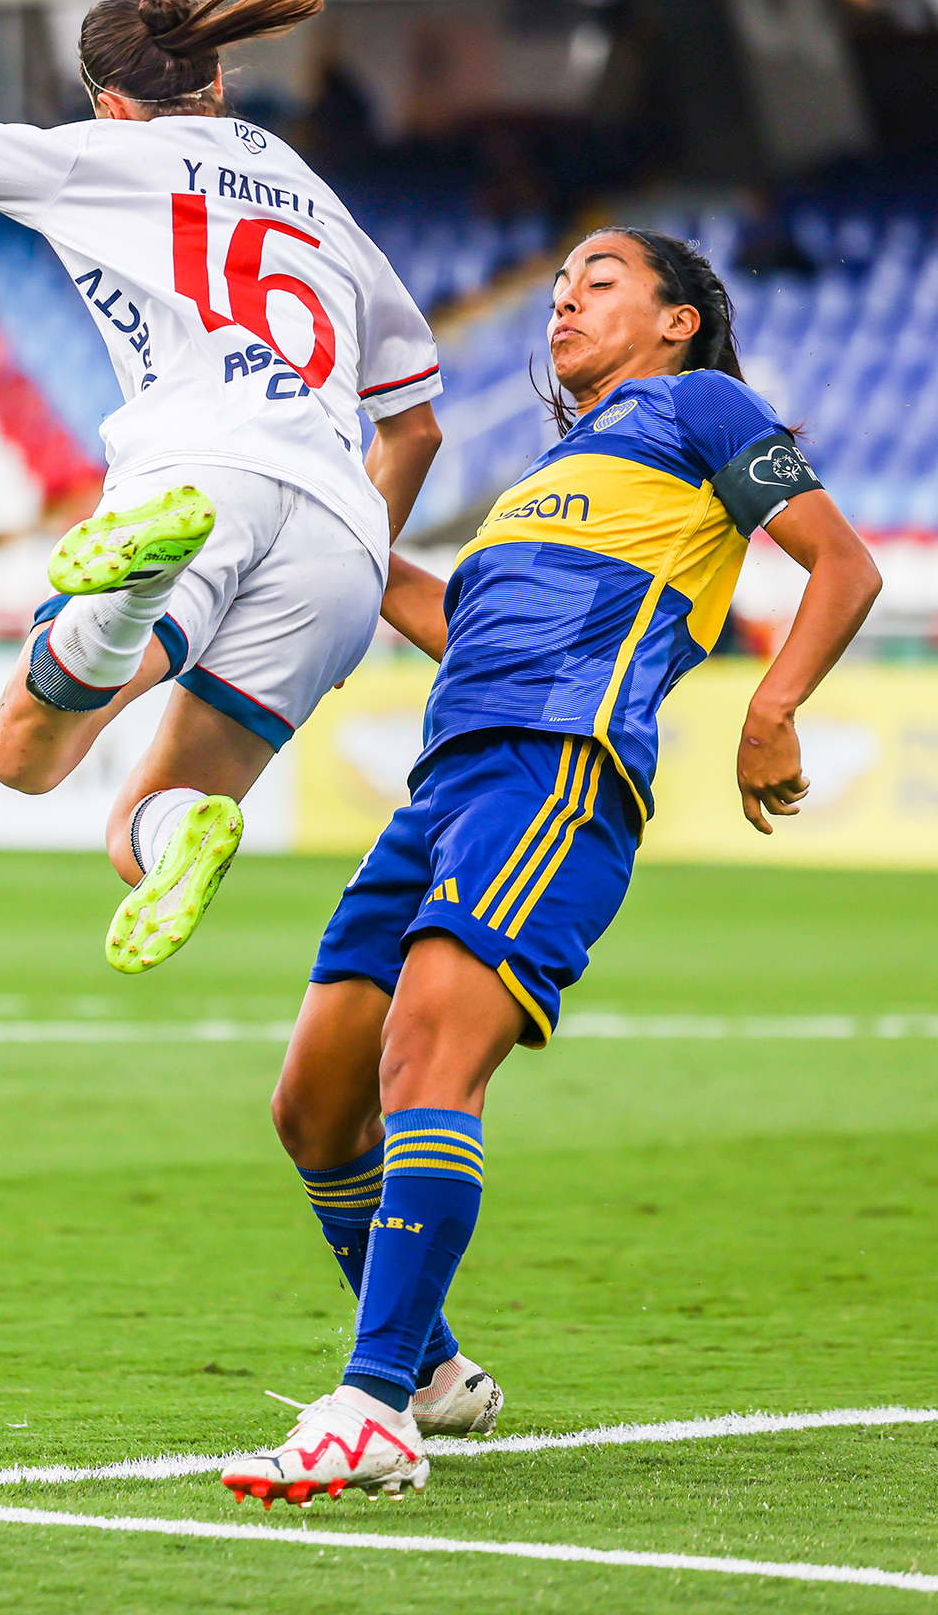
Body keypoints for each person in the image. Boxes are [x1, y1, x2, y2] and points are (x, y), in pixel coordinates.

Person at [221, 227, 883, 1506]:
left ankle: (371, 1407)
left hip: (557, 767)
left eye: (601, 280)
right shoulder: (546, 475)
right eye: (561, 283)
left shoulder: (702, 406)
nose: (565, 299)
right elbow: (458, 621)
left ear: (677, 319)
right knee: (314, 1105)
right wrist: (327, 545)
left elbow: (842, 565)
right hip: (444, 785)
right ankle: (430, 1371)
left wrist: (772, 708)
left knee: (427, 1056)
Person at [0, 0, 444, 973]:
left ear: (108, 101)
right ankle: (178, 824)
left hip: (200, 469)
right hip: (342, 532)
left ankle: (135, 593)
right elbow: (415, 429)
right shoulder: (318, 199)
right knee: (145, 819)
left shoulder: (96, 154)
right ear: (217, 82)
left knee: (23, 756)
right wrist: (361, 551)